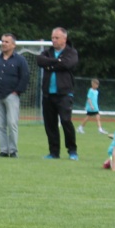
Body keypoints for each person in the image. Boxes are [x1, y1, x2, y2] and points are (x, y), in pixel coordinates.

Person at [37, 27, 79, 160]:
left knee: (66, 121)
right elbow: (40, 61)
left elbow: (68, 64)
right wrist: (57, 62)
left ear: (64, 39)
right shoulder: (47, 52)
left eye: (56, 38)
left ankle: (72, 150)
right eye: (52, 38)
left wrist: (50, 65)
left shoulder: (71, 52)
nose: (53, 40)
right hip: (48, 94)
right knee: (50, 124)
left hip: (64, 94)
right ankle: (54, 152)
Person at [0, 32, 29, 158]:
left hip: (11, 95)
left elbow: (25, 77)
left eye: (6, 42)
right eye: (2, 41)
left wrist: (17, 91)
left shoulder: (20, 60)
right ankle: (4, 150)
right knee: (0, 124)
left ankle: (13, 151)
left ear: (13, 45)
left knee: (12, 123)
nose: (3, 44)